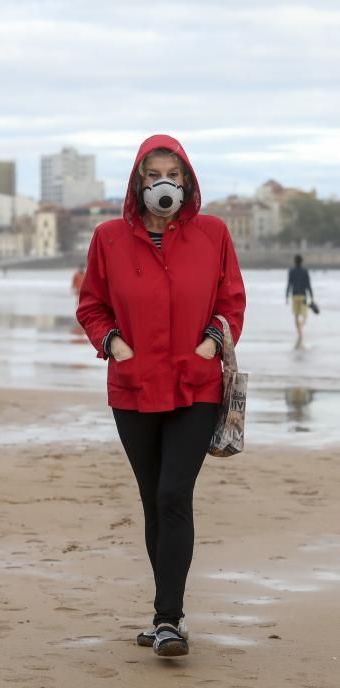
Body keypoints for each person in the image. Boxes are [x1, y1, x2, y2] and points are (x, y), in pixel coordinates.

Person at [76, 135, 245, 658]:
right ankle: (167, 613)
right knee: (154, 501)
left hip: (196, 386)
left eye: (172, 171)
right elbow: (92, 305)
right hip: (132, 389)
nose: (162, 182)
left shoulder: (213, 233)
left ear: (187, 179)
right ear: (138, 180)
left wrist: (209, 342)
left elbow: (232, 299)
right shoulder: (108, 238)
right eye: (152, 174)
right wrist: (115, 345)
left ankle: (168, 620)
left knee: (174, 495)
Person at [286, 254, 314, 349]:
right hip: (303, 296)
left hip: (294, 296)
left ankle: (299, 333)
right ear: (302, 261)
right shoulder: (305, 271)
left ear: (295, 261)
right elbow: (308, 284)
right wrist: (311, 296)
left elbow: (289, 284)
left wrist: (286, 296)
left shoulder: (291, 271)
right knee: (304, 316)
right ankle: (300, 332)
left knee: (296, 316)